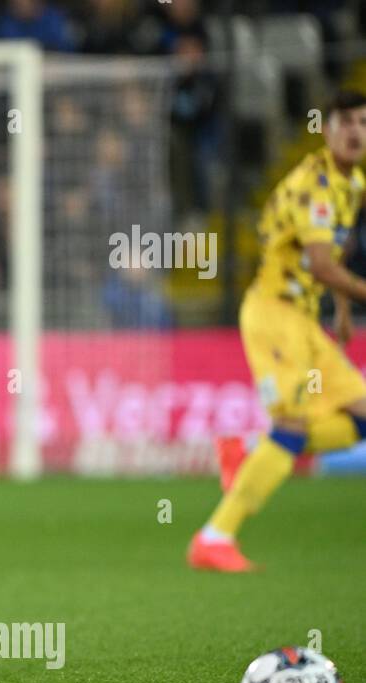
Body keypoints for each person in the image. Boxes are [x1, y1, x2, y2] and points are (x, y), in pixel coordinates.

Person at [189, 90, 366, 573]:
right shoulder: (316, 186)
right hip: (274, 313)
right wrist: (348, 291)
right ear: (326, 130)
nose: (355, 131)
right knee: (291, 427)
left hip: (305, 318)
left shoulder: (353, 184)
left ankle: (248, 451)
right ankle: (214, 535)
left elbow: (338, 254)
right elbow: (326, 265)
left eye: (363, 123)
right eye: (345, 122)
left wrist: (345, 310)